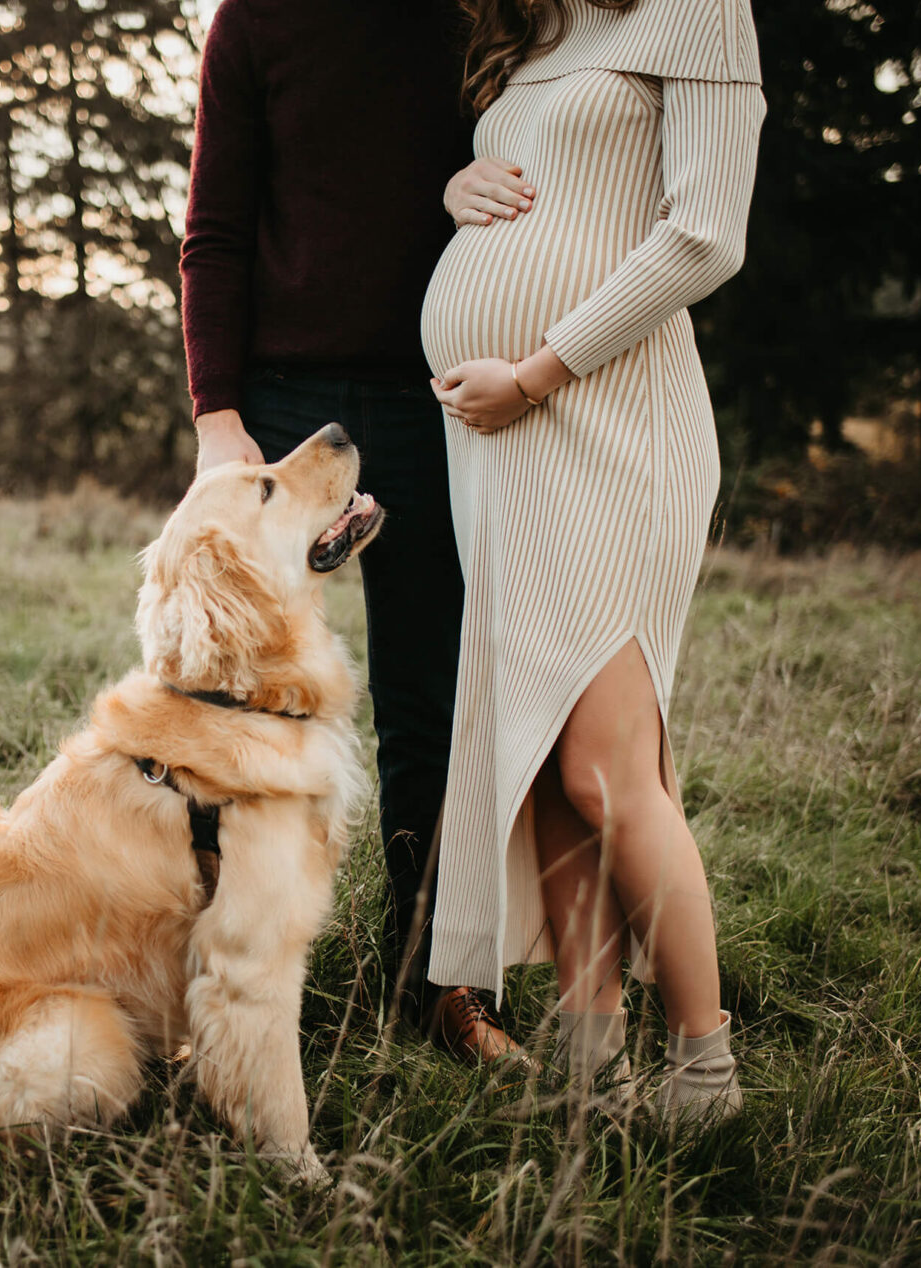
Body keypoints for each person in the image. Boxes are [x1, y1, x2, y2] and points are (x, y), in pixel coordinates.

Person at [420, 0, 765, 1122]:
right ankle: (590, 1067)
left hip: (608, 420)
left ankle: (704, 1075)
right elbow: (555, 187)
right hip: (499, 446)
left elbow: (706, 234)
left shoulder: (698, 10)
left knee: (607, 773)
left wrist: (536, 372)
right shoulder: (532, 30)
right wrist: (457, 189)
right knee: (547, 763)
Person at [180, 0, 534, 1062]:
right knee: (230, 687)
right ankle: (202, 961)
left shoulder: (478, 15)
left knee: (434, 699)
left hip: (439, 393)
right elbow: (214, 231)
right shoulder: (253, 20)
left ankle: (438, 981)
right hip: (281, 405)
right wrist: (217, 418)